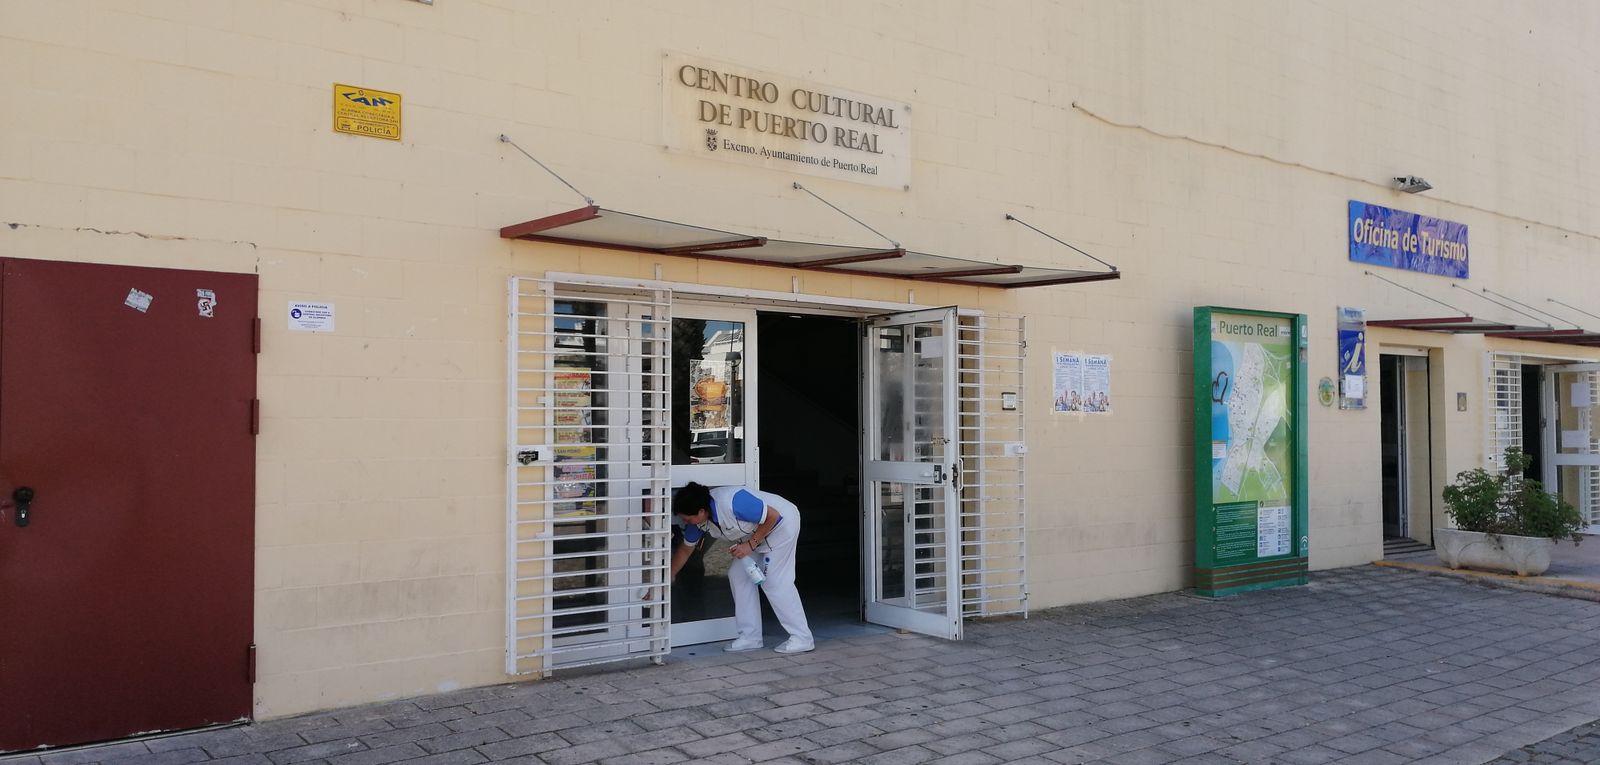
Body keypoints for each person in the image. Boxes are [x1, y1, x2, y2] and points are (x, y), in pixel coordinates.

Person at [670, 481, 814, 654]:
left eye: (687, 518)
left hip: (781, 526)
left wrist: (750, 545)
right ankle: (750, 637)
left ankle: (802, 637)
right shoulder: (698, 520)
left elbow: (773, 516)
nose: (686, 522)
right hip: (755, 536)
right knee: (738, 575)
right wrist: (669, 575)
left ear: (701, 511)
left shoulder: (732, 501)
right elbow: (686, 550)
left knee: (775, 582)